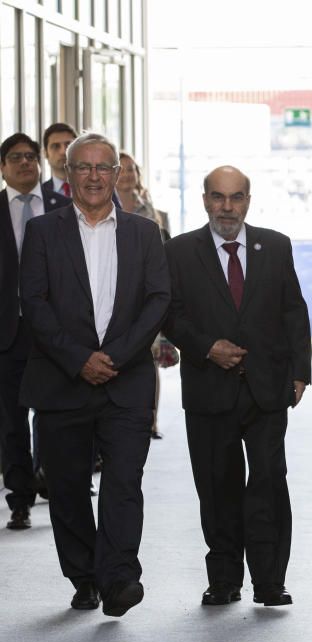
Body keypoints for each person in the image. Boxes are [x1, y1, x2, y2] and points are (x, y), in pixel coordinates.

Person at [19, 132, 169, 616]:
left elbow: (157, 300)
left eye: (103, 167)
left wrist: (118, 357)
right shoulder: (43, 233)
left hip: (127, 382)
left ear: (117, 174)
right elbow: (34, 304)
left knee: (124, 480)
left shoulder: (144, 234)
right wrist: (78, 358)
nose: (93, 176)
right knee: (67, 487)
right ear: (68, 173)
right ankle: (84, 576)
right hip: (63, 380)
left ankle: (121, 576)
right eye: (83, 167)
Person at [164, 165, 311, 607]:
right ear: (205, 199)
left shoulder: (276, 245)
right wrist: (206, 347)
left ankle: (269, 581)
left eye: (236, 197)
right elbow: (169, 314)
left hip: (267, 387)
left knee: (268, 481)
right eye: (218, 197)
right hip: (209, 387)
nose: (227, 207)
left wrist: (300, 372)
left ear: (248, 199)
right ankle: (224, 579)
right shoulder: (178, 251)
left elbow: (293, 311)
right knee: (217, 485)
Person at [0, 132, 71, 530]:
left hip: (55, 332)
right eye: (16, 157)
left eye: (30, 156)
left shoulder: (62, 208)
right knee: (11, 419)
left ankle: (53, 481)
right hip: (8, 332)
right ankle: (20, 496)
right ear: (3, 166)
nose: (26, 163)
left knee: (54, 413)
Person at [116, 151, 177, 439]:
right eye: (122, 169)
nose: (127, 175)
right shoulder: (104, 209)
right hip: (116, 297)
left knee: (149, 360)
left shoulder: (155, 214)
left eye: (132, 170)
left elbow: (167, 258)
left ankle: (149, 420)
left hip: (147, 297)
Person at [40, 123, 77, 199]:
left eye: (68, 145)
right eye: (55, 146)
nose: (63, 152)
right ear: (46, 153)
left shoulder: (94, 188)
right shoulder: (39, 194)